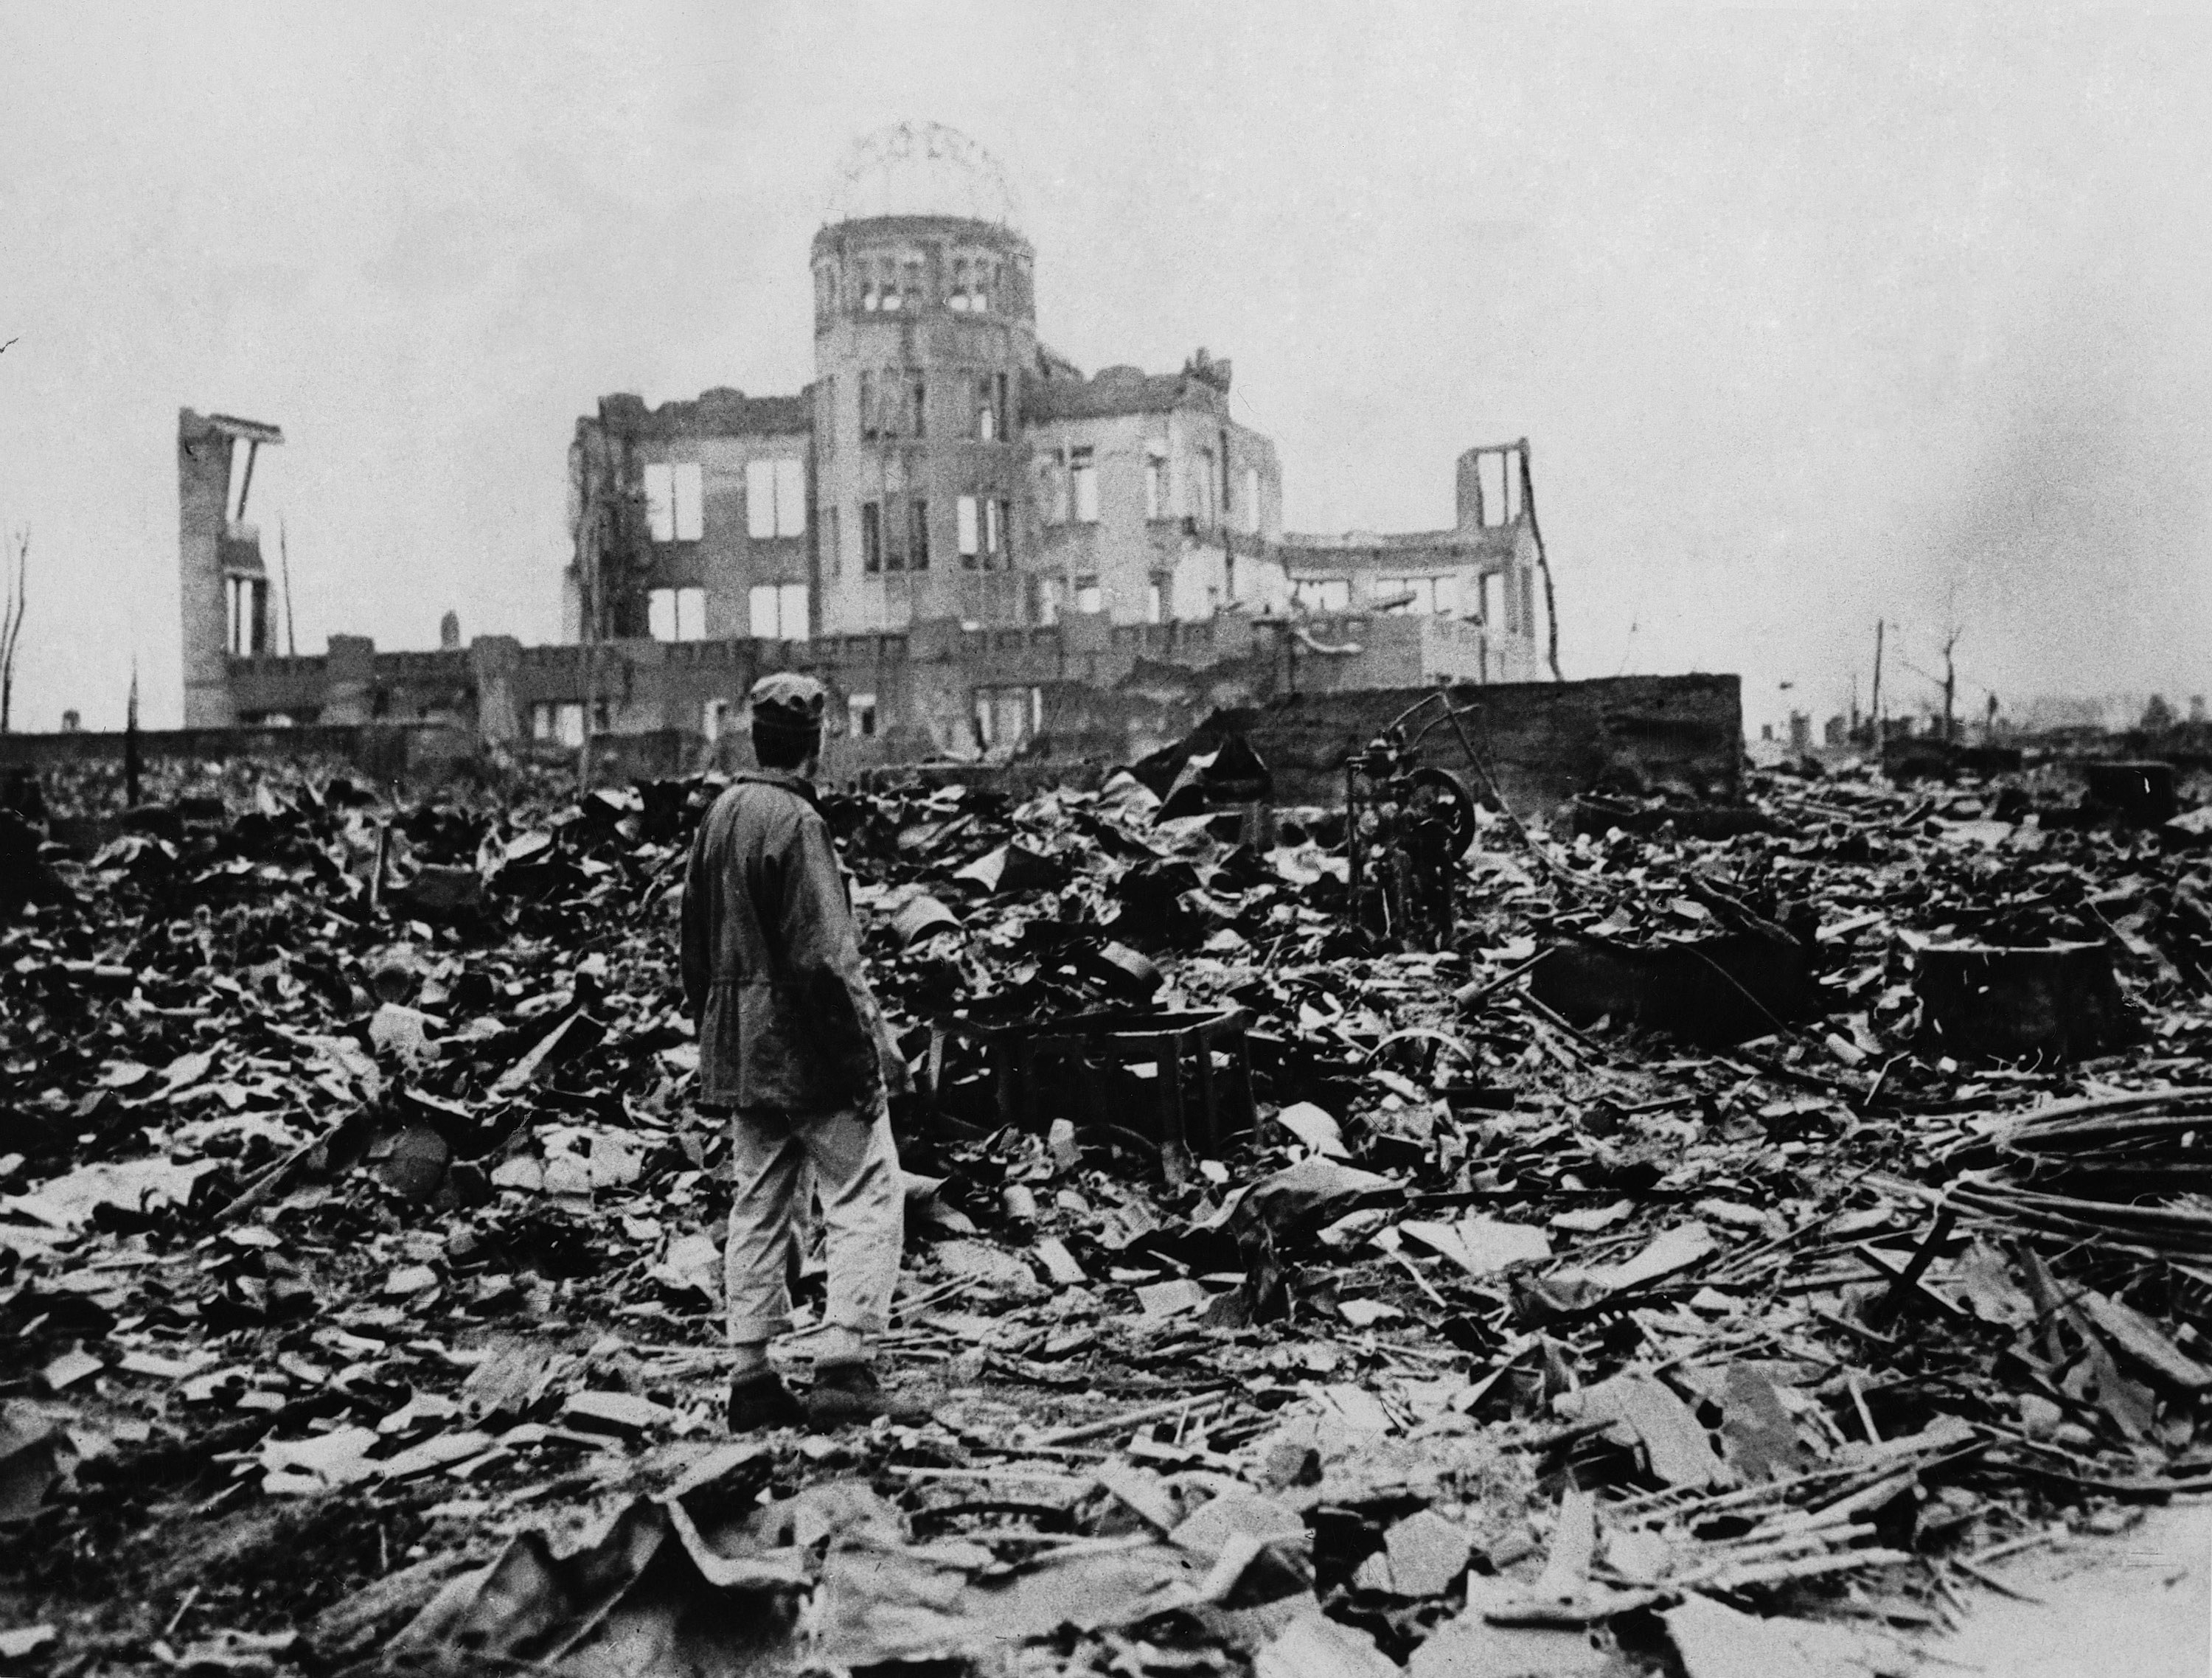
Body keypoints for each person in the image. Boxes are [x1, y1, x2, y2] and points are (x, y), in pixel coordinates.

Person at [680, 672, 913, 1431]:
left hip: (742, 1053)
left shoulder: (719, 816)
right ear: (814, 744)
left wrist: (721, 1032)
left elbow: (693, 947)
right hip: (806, 1051)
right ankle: (844, 1362)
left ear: (756, 738)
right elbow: (824, 961)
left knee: (759, 1200)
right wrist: (864, 1061)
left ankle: (751, 1375)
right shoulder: (798, 823)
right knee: (866, 1188)